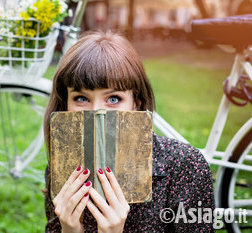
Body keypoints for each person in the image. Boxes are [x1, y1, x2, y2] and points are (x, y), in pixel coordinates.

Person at [43, 30, 215, 232]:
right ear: (66, 104)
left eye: (113, 99)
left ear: (136, 103)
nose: (98, 112)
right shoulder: (63, 166)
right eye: (81, 98)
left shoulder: (186, 167)